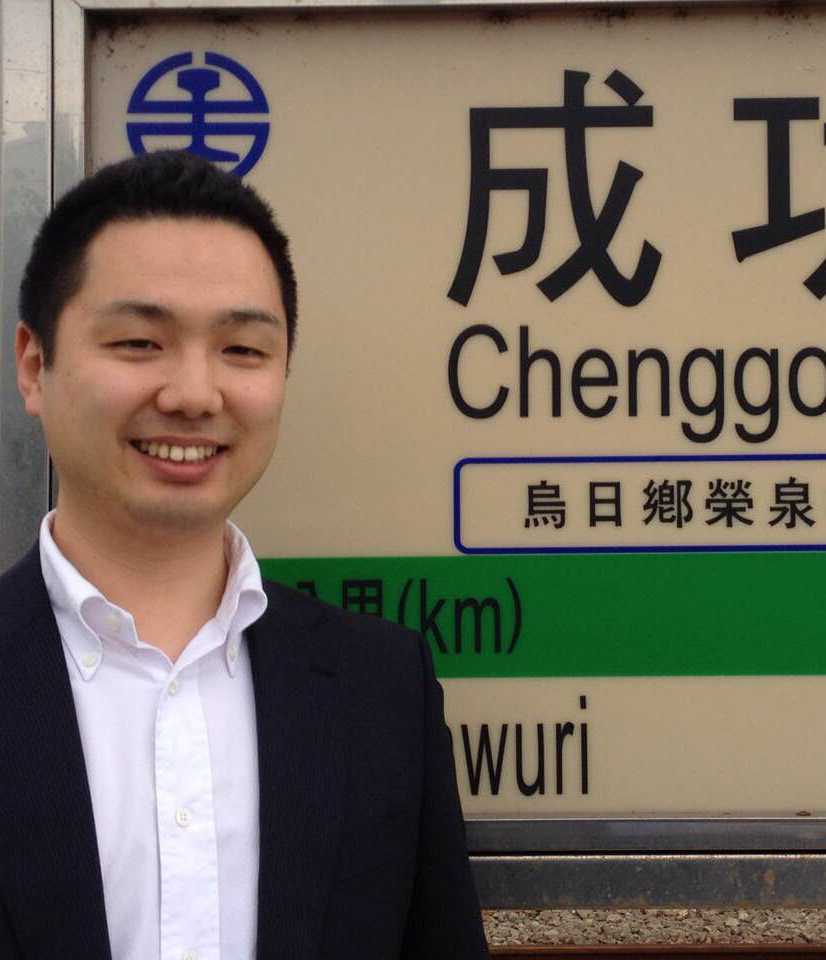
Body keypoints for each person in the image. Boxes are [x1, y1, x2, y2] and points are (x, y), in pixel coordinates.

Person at [0, 150, 489, 960]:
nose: (195, 395)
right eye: (139, 342)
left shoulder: (381, 691)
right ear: (33, 366)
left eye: (243, 351)